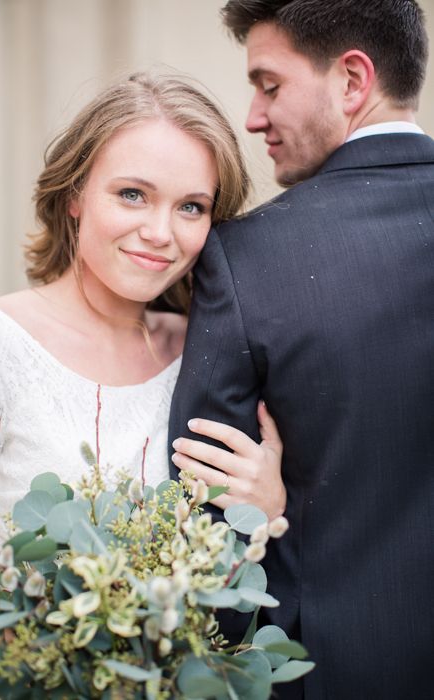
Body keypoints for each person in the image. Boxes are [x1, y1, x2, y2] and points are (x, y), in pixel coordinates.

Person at [0, 71, 286, 696]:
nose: (161, 232)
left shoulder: (210, 357)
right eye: (133, 194)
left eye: (191, 207)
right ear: (74, 195)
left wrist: (268, 507)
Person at [169, 1, 434, 698]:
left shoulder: (247, 258)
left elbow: (206, 511)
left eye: (270, 85)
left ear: (352, 80)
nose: (253, 116)